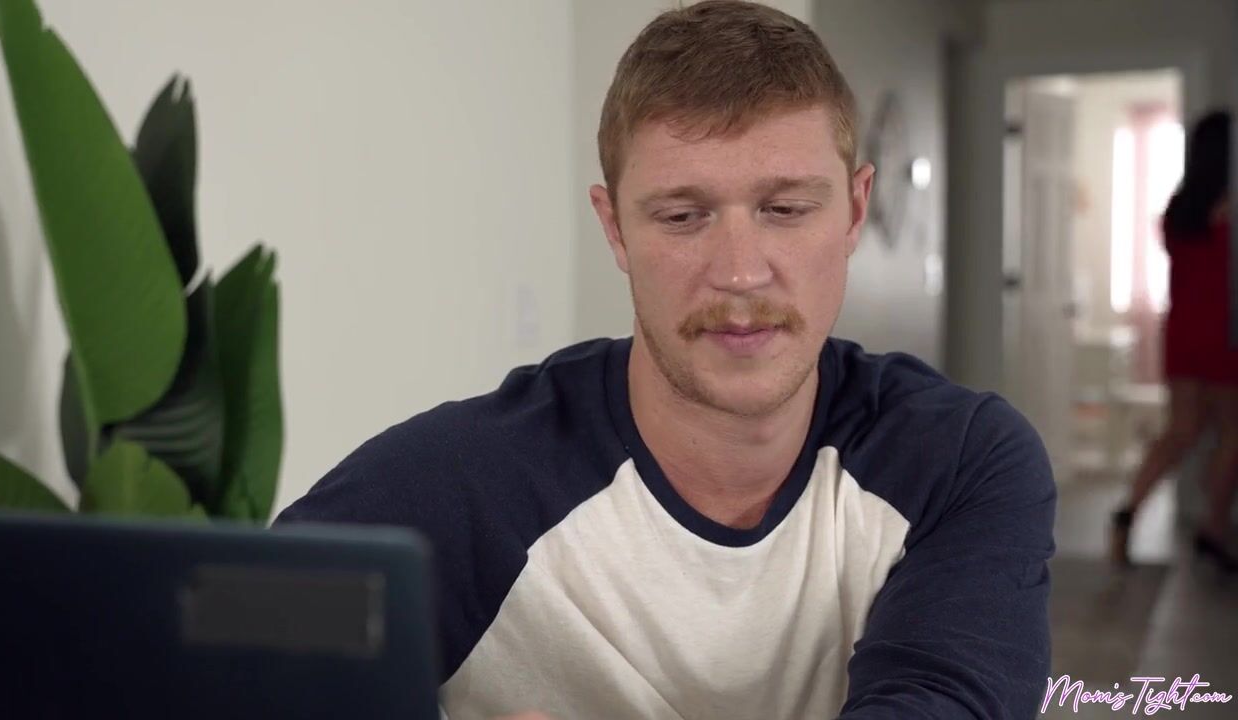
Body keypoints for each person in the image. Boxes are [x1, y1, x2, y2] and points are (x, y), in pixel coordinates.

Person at [277, 2, 1056, 718]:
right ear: (615, 229)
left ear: (854, 210)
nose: (741, 273)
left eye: (785, 210)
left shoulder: (958, 462)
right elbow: (236, 663)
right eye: (683, 217)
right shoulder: (463, 489)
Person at [1110, 110, 1237, 573]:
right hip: (1222, 333)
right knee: (1232, 432)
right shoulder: (1228, 210)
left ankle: (1126, 513)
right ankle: (1214, 528)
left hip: (1183, 331)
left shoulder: (1178, 210)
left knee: (1181, 431)